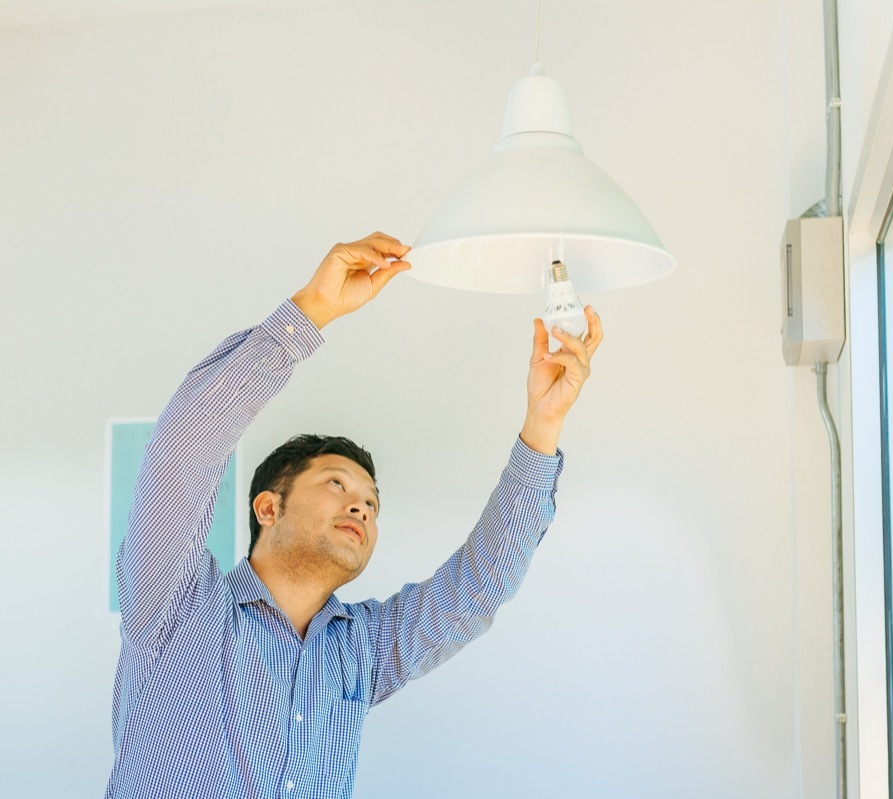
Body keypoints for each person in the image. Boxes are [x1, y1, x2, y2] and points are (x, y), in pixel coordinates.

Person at [105, 232, 603, 798]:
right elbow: (187, 445)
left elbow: (479, 587)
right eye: (337, 484)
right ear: (268, 506)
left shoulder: (360, 649)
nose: (361, 506)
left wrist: (543, 426)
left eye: (371, 502)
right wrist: (311, 311)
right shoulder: (174, 606)